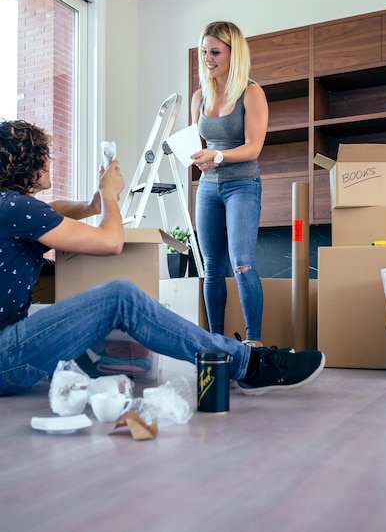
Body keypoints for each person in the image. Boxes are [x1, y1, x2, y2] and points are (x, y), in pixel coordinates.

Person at [0, 119, 325, 398]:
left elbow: (53, 210)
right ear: (21, 161)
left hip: (9, 347)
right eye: (41, 156)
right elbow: (111, 241)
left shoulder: (10, 207)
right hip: (6, 356)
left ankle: (240, 360)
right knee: (120, 297)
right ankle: (248, 366)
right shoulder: (16, 208)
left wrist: (94, 203)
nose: (47, 162)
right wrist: (110, 196)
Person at [191, 20, 268, 347]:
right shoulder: (199, 97)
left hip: (242, 185)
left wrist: (219, 156)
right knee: (212, 268)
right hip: (208, 187)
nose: (208, 58)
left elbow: (253, 147)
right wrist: (198, 157)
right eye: (205, 51)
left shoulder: (251, 92)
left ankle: (253, 342)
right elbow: (200, 145)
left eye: (215, 52)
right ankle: (215, 343)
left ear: (234, 54)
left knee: (242, 263)